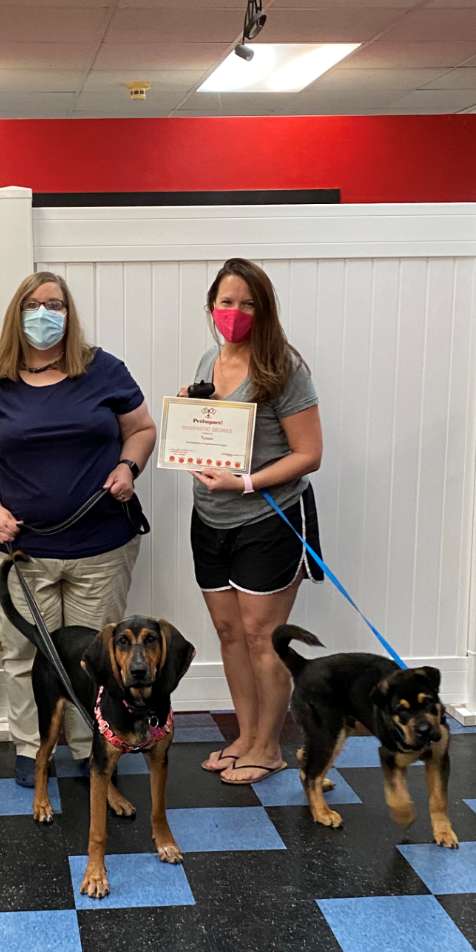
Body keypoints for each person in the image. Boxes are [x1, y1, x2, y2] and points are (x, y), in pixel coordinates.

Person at [0, 271, 157, 786]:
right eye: (33, 304)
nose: (44, 314)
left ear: (70, 314)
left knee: (96, 655)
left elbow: (141, 428)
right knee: (28, 652)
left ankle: (94, 744)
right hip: (18, 546)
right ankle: (33, 747)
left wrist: (128, 467)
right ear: (15, 313)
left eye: (55, 304)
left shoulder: (104, 369)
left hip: (102, 543)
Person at [184, 258, 324, 785]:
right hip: (210, 519)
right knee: (229, 632)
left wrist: (245, 482)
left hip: (269, 520)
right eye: (226, 302)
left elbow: (309, 454)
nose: (235, 312)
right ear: (212, 307)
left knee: (262, 636)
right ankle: (245, 735)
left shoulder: (284, 367)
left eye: (248, 303)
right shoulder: (208, 359)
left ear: (264, 309)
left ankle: (269, 747)